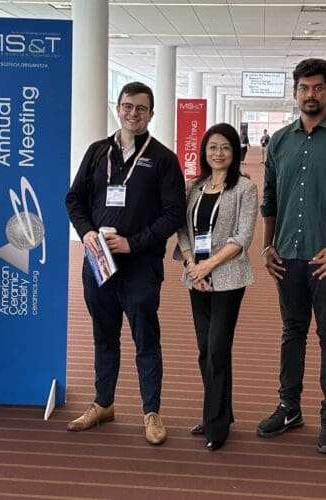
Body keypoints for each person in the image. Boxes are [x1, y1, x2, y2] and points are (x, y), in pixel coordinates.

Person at [65, 82, 186, 445]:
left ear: (151, 113)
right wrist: (86, 233)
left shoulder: (163, 159)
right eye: (127, 106)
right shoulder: (97, 152)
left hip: (140, 267)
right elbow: (74, 199)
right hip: (98, 262)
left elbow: (174, 213)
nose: (133, 113)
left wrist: (134, 243)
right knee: (104, 336)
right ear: (117, 108)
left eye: (141, 108)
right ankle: (104, 404)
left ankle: (151, 412)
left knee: (145, 339)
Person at [174, 123, 258, 451]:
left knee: (218, 349)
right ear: (204, 151)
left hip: (228, 278)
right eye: (212, 147)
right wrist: (192, 266)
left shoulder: (244, 189)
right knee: (205, 351)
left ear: (234, 152)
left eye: (225, 147)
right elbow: (182, 230)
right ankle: (216, 413)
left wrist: (208, 266)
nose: (218, 153)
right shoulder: (194, 187)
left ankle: (217, 425)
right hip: (196, 277)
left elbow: (243, 236)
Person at [257, 58, 326, 455]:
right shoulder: (281, 141)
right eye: (304, 88)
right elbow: (270, 198)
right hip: (288, 257)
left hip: (323, 258)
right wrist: (268, 245)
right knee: (292, 333)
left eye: (318, 87)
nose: (311, 94)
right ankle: (289, 407)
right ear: (295, 92)